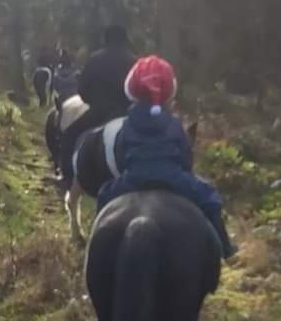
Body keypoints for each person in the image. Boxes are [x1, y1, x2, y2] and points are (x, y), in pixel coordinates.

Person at [96, 55, 237, 260]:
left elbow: (120, 154)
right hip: (174, 178)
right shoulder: (173, 123)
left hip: (134, 178)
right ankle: (225, 247)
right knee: (210, 199)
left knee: (103, 196)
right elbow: (185, 157)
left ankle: (97, 249)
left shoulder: (127, 124)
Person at [58, 25, 137, 186]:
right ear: (125, 39)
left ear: (106, 39)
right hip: (128, 113)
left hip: (99, 112)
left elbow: (82, 89)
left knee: (70, 135)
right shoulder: (134, 61)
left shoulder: (95, 59)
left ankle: (68, 178)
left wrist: (94, 102)